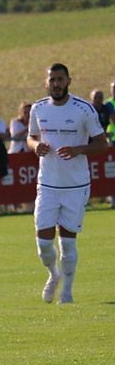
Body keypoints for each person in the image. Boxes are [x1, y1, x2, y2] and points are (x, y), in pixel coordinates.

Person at [27, 63, 107, 304]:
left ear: (68, 81)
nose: (56, 84)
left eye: (60, 79)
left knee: (68, 242)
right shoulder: (38, 108)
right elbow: (30, 137)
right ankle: (54, 274)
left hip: (75, 185)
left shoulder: (83, 109)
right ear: (47, 82)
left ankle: (67, 293)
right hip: (48, 184)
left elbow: (103, 144)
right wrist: (35, 146)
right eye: (52, 79)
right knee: (43, 244)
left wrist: (78, 149)